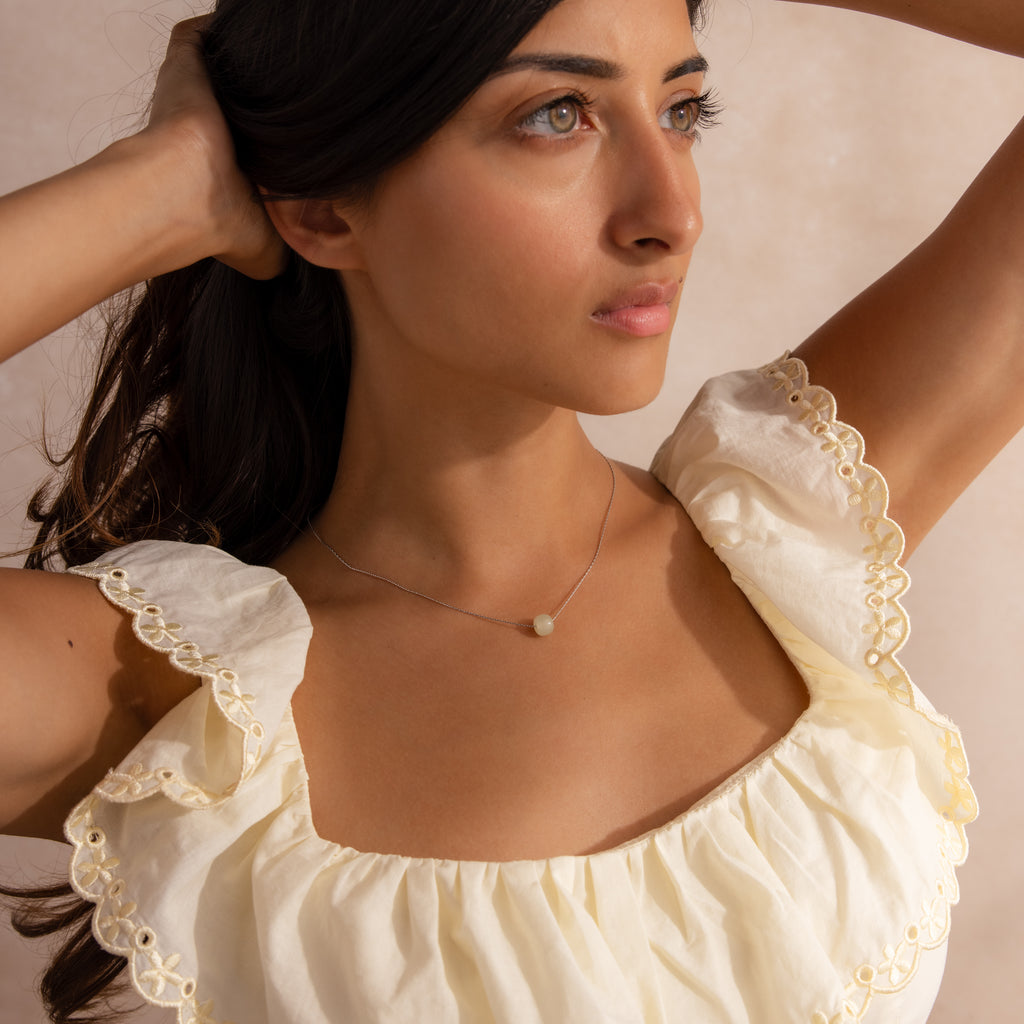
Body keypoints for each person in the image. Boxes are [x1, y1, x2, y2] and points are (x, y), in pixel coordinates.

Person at [0, 0, 1020, 1020]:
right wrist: (164, 188)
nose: (671, 212)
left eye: (682, 107)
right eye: (558, 115)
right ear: (320, 210)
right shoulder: (169, 705)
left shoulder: (793, 531)